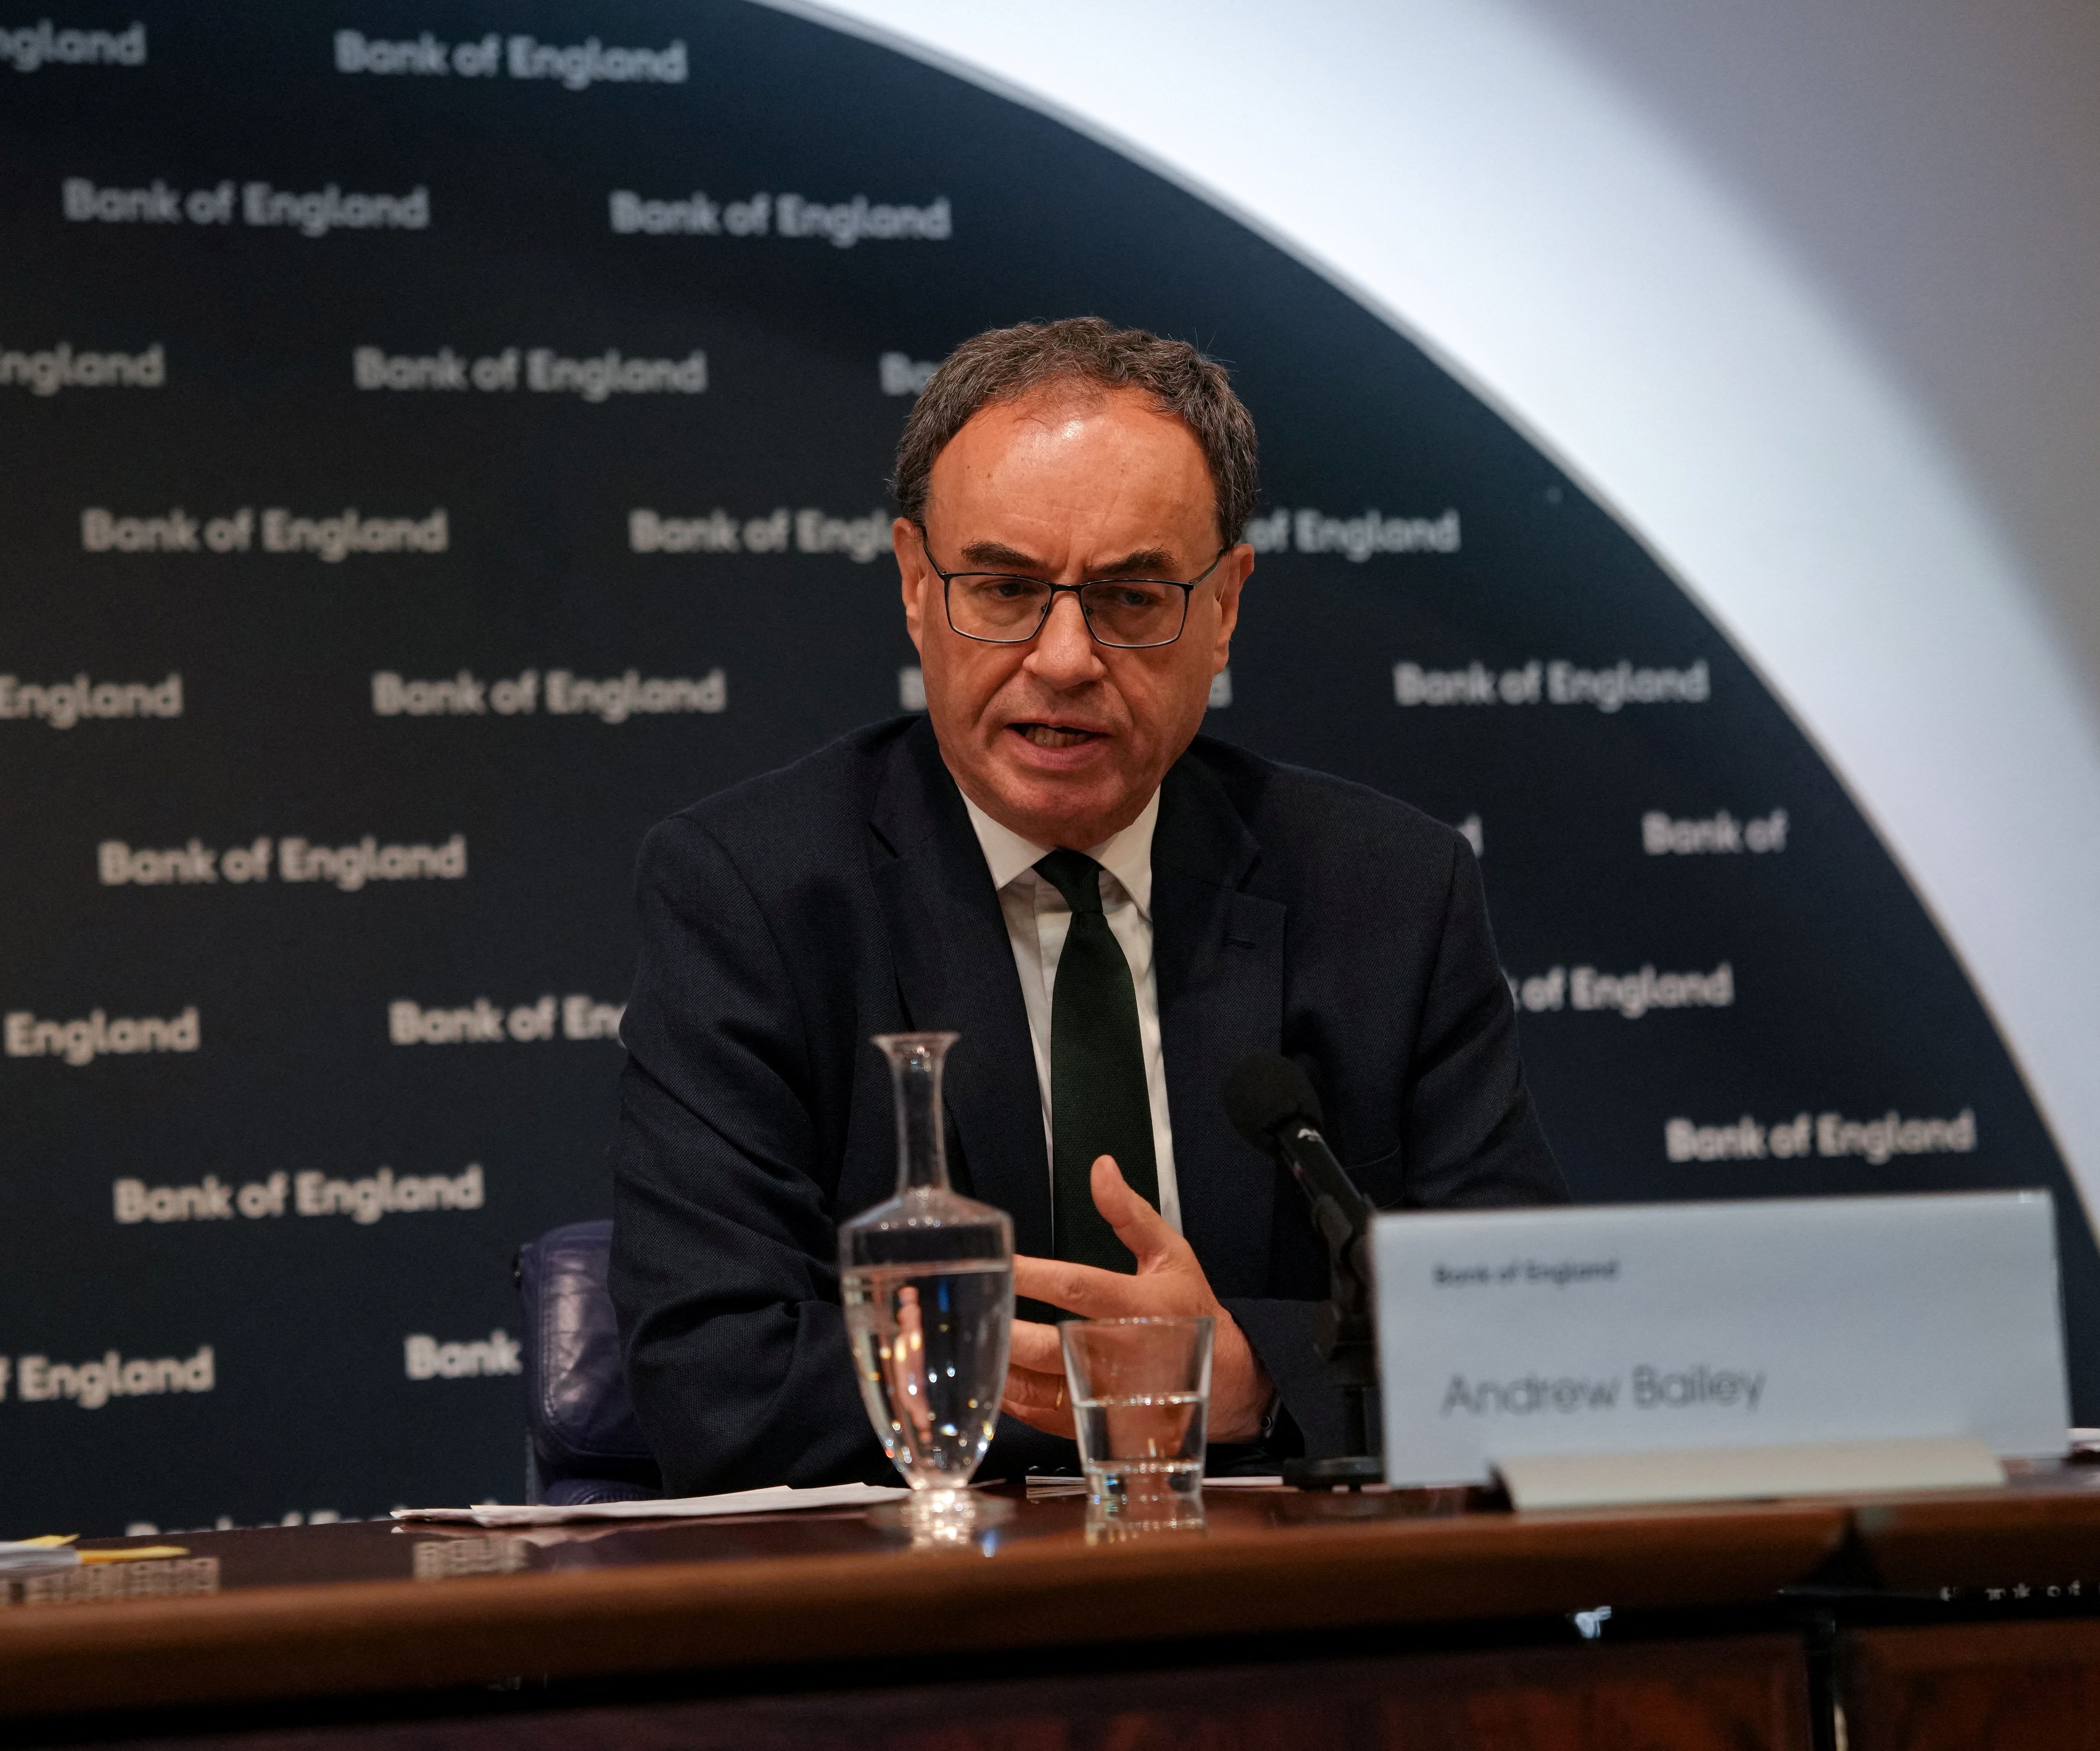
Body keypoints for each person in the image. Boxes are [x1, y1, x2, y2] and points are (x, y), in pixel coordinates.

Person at [610, 318, 1566, 1494]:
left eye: (1131, 597)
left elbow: (1530, 1338)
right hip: (918, 1633)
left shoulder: (1385, 892)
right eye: (1004, 587)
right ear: (916, 583)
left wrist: (1249, 1381)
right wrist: (1121, 1397)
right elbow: (717, 1375)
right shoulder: (754, 893)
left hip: (1302, 1630)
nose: (1063, 657)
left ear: (1224, 606)